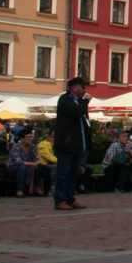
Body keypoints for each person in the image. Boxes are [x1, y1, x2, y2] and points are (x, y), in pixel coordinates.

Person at [53, 76, 92, 211]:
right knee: (63, 173)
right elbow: (76, 113)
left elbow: (83, 119)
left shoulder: (78, 102)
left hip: (76, 144)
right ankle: (60, 200)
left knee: (73, 173)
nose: (84, 90)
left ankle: (70, 199)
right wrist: (85, 102)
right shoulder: (65, 100)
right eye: (82, 87)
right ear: (73, 87)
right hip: (66, 143)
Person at [7, 127, 44, 197]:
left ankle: (38, 188)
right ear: (22, 138)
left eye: (31, 137)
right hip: (14, 167)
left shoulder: (33, 147)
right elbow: (18, 161)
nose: (31, 139)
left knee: (38, 168)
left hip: (28, 166)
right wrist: (33, 164)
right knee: (22, 168)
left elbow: (36, 158)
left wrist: (38, 163)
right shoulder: (16, 147)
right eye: (28, 137)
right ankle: (19, 190)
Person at [103, 129, 132, 194]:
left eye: (126, 136)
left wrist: (131, 147)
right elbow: (110, 159)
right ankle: (118, 187)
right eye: (123, 136)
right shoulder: (115, 145)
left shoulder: (127, 146)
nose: (126, 138)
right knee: (124, 166)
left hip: (122, 166)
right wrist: (124, 161)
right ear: (118, 139)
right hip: (110, 168)